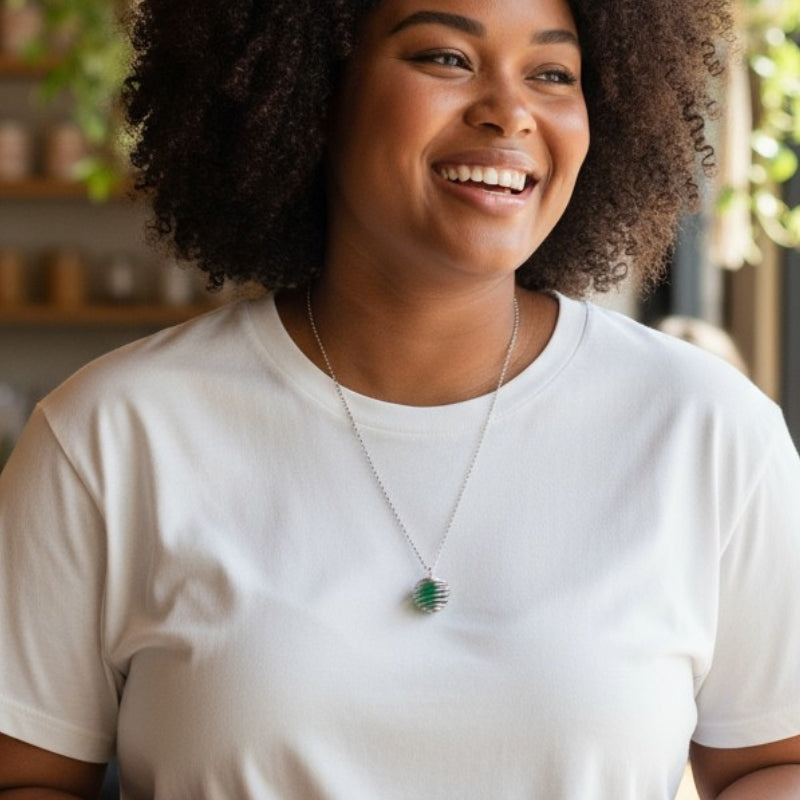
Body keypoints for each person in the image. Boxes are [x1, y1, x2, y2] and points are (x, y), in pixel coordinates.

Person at [1, 0, 798, 797]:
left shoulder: (708, 430)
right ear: (317, 93)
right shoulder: (109, 436)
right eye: (445, 58)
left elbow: (775, 763)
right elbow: (27, 779)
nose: (510, 113)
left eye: (553, 73)